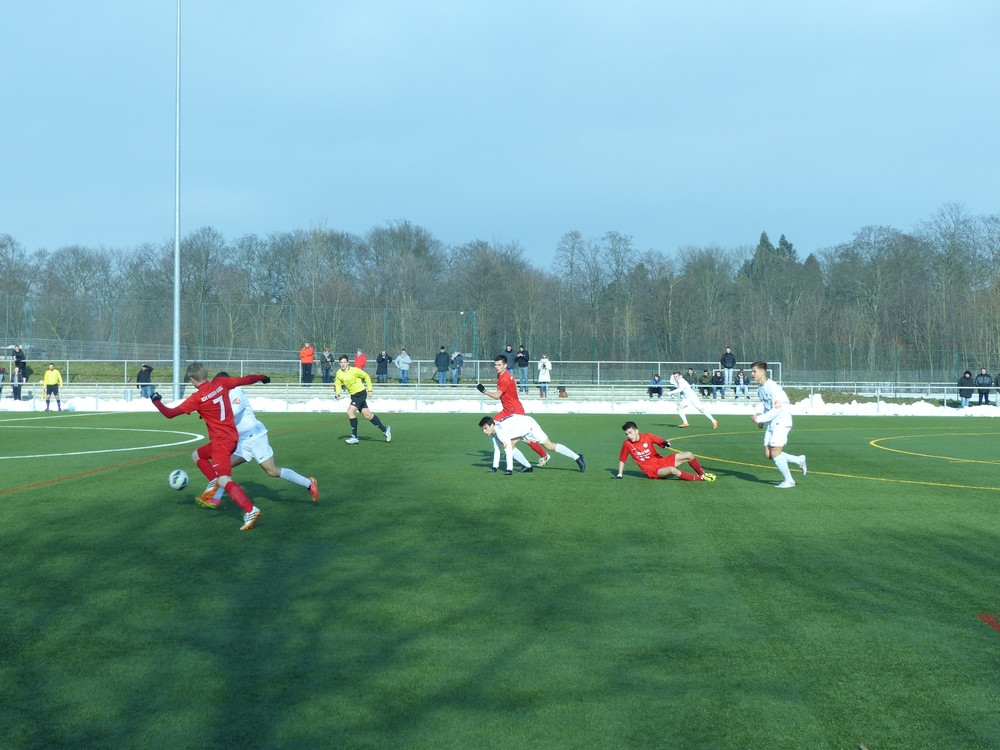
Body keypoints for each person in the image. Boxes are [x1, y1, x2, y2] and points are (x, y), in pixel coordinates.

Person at [151, 363, 269, 531]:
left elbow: (169, 414)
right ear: (206, 374)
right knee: (197, 455)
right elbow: (245, 380)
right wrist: (262, 377)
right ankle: (213, 481)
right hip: (232, 438)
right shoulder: (221, 383)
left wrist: (156, 401)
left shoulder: (197, 398)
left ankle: (250, 510)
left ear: (192, 379)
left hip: (221, 443)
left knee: (224, 480)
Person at [195, 372, 319, 508]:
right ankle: (214, 498)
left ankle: (309, 483)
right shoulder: (222, 396)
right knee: (224, 467)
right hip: (242, 441)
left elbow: (233, 411)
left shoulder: (237, 392)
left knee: (272, 471)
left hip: (255, 437)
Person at [476, 355, 550, 467]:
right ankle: (508, 449)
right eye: (495, 364)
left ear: (505, 365)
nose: (496, 367)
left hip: (515, 411)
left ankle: (543, 455)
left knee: (526, 438)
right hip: (507, 410)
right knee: (494, 426)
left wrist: (484, 391)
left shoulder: (505, 377)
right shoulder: (502, 375)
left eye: (499, 365)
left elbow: (497, 396)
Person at [750, 361, 807, 489]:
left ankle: (789, 481)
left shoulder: (773, 387)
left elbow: (777, 409)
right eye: (752, 371)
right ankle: (799, 460)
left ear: (763, 372)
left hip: (782, 421)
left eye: (755, 371)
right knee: (768, 454)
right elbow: (767, 407)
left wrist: (759, 418)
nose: (752, 374)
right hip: (772, 421)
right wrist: (762, 421)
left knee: (775, 452)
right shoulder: (760, 388)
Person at [478, 415, 585, 475]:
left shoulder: (500, 432)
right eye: (482, 429)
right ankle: (527, 466)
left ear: (492, 425)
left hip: (529, 426)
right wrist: (494, 467)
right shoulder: (494, 431)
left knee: (549, 446)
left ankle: (577, 457)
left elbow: (507, 451)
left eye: (485, 428)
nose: (484, 431)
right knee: (511, 445)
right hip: (521, 428)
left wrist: (509, 470)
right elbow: (496, 449)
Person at [614, 421, 715, 481]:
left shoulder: (647, 436)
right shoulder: (627, 444)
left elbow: (660, 441)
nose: (629, 436)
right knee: (672, 470)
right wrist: (620, 474)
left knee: (689, 454)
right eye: (627, 434)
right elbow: (623, 459)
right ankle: (700, 479)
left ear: (637, 431)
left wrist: (665, 443)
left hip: (661, 461)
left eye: (630, 433)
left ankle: (702, 474)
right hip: (652, 471)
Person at [335, 354, 391, 444]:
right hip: (353, 395)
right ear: (339, 363)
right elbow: (338, 383)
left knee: (350, 412)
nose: (343, 364)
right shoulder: (339, 373)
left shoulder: (355, 370)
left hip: (361, 393)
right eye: (341, 362)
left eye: (345, 362)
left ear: (348, 363)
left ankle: (354, 436)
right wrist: (338, 393)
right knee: (368, 415)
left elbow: (366, 376)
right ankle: (385, 429)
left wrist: (370, 390)